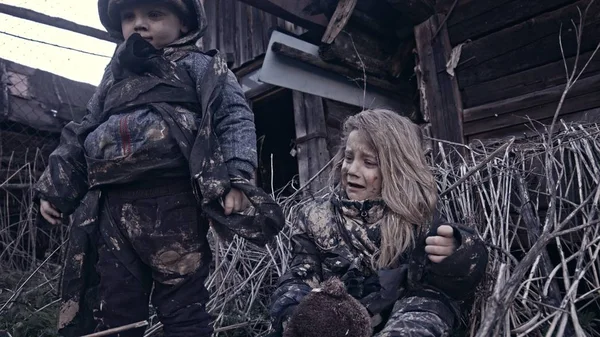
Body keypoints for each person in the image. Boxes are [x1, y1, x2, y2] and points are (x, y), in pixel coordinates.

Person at [34, 1, 283, 336]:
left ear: (184, 24)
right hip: (112, 206)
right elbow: (84, 129)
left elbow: (233, 116)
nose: (139, 24)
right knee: (115, 303)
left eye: (154, 15)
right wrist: (57, 187)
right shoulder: (114, 74)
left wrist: (237, 176)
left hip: (172, 202)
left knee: (183, 303)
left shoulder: (200, 64)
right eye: (129, 17)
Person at [269, 109, 488, 336]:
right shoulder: (315, 218)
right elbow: (299, 276)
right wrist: (297, 315)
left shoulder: (417, 219)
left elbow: (439, 293)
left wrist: (459, 253)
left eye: (369, 162)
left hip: (403, 321)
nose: (352, 170)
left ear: (396, 169)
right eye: (349, 157)